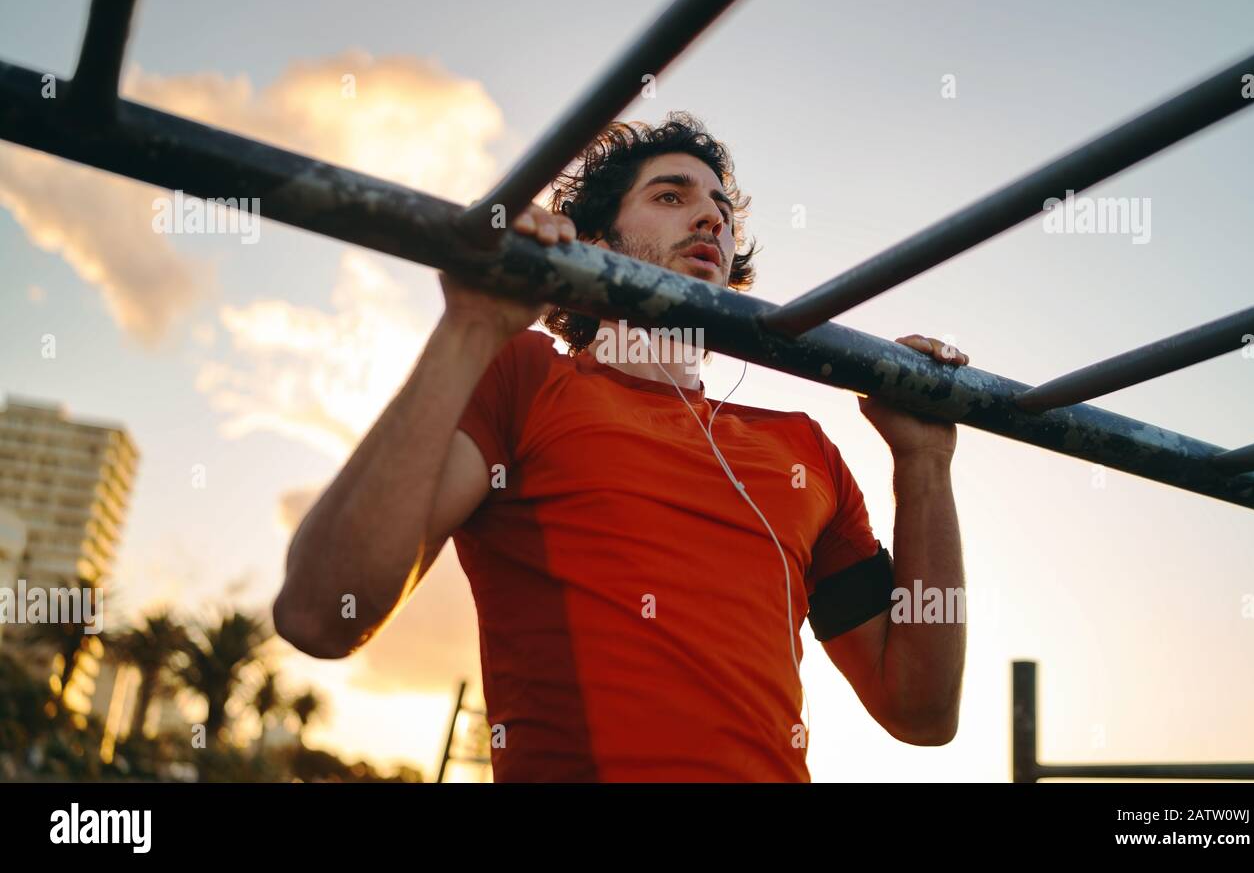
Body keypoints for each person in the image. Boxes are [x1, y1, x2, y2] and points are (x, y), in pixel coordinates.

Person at [274, 112, 968, 781]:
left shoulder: (802, 448)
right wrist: (470, 327)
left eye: (722, 210)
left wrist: (926, 464)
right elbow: (321, 611)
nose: (711, 219)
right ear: (599, 246)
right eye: (672, 195)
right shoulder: (526, 377)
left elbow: (922, 710)